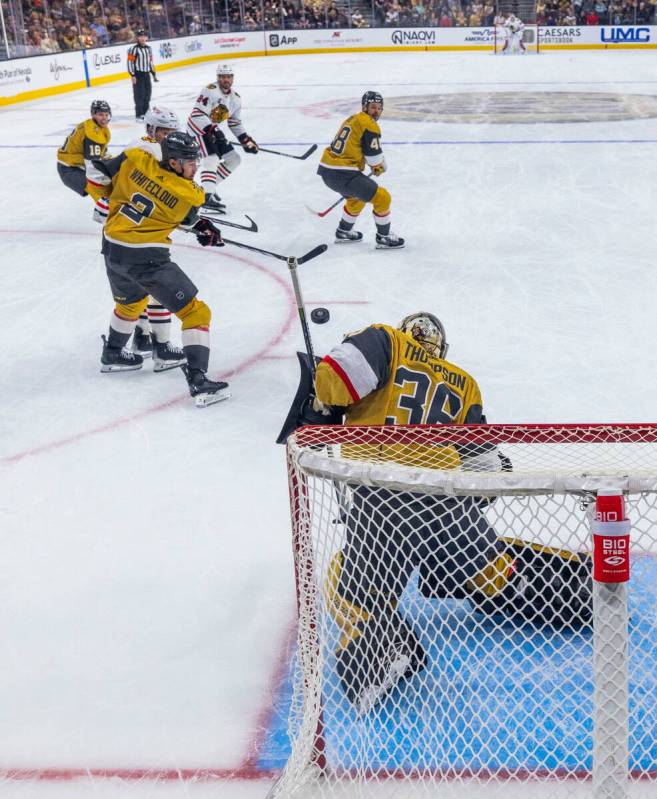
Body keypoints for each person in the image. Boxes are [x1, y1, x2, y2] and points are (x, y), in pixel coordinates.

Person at [307, 313, 592, 711]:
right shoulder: (464, 382)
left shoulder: (386, 341)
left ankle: (384, 647)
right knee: (493, 575)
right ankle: (568, 592)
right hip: (452, 503)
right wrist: (457, 525)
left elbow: (337, 375)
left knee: (348, 585)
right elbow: (488, 474)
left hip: (384, 499)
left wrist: (320, 399)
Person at [95, 131, 230, 407]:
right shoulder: (191, 194)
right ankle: (198, 380)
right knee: (197, 312)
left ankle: (113, 353)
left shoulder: (136, 158)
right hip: (147, 259)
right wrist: (204, 228)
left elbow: (109, 175)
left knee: (131, 305)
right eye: (190, 163)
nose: (196, 168)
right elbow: (189, 216)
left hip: (112, 248)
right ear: (173, 163)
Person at [93, 106, 185, 370]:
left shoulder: (139, 148)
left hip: (121, 235)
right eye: (165, 132)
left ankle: (142, 339)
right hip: (135, 237)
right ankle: (161, 347)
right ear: (151, 130)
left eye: (172, 131)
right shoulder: (150, 151)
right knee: (157, 290)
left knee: (140, 294)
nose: (169, 137)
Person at [318, 91, 403, 250]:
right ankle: (384, 237)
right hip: (343, 174)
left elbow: (353, 147)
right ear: (365, 106)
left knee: (356, 198)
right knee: (382, 197)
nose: (376, 111)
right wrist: (378, 165)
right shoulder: (369, 124)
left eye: (379, 108)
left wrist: (373, 165)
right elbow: (374, 157)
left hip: (327, 171)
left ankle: (344, 231)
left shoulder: (353, 119)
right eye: (373, 107)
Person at [186, 62, 258, 213]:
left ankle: (208, 188)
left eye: (229, 77)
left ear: (233, 78)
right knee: (212, 159)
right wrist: (211, 130)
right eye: (223, 77)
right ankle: (206, 197)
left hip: (212, 130)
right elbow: (197, 114)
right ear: (218, 78)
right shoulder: (210, 90)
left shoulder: (235, 98)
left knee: (234, 159)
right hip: (198, 128)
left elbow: (234, 122)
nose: (226, 80)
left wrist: (246, 140)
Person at [56, 100, 112, 201]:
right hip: (69, 169)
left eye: (106, 114)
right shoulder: (91, 132)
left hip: (78, 165)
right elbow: (92, 169)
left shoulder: (97, 128)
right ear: (93, 115)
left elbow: (104, 155)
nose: (104, 118)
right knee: (102, 193)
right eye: (100, 114)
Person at [127, 29, 158, 121]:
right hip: (138, 75)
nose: (142, 38)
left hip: (146, 74)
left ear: (146, 37)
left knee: (147, 94)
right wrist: (132, 75)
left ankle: (146, 112)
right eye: (140, 36)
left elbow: (150, 62)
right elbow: (130, 62)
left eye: (144, 36)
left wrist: (154, 74)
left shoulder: (149, 49)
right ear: (137, 38)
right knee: (139, 95)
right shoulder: (133, 49)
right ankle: (139, 114)